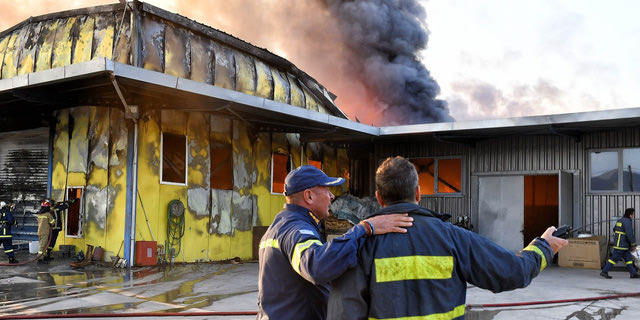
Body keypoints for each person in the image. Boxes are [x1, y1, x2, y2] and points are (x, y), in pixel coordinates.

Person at [327, 156, 569, 320]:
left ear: (379, 198)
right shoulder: (453, 237)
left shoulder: (358, 244)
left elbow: (343, 312)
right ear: (418, 193)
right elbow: (512, 272)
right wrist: (544, 246)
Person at [256, 165, 414, 320]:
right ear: (309, 196)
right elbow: (317, 267)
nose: (332, 196)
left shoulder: (279, 226)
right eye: (327, 190)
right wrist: (364, 228)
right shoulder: (296, 230)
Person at [600, 208, 638, 279]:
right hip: (622, 245)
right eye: (633, 214)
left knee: (629, 259)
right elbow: (629, 234)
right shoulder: (627, 222)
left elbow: (614, 229)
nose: (633, 216)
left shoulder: (620, 220)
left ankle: (633, 273)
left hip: (622, 245)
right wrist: (633, 244)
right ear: (630, 215)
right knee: (614, 258)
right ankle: (604, 271)